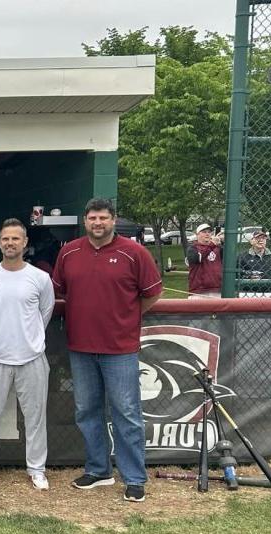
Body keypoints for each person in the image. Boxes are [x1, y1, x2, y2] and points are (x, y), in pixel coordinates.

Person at [52, 198, 162, 503]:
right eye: (92, 218)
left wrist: (127, 315)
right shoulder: (70, 252)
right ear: (85, 221)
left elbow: (151, 294)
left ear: (113, 220)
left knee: (126, 413)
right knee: (87, 411)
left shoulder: (134, 252)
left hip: (120, 348)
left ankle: (134, 477)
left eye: (103, 218)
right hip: (81, 346)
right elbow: (60, 289)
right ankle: (99, 469)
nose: (97, 223)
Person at [0, 220, 56, 490]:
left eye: (15, 239)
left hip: (31, 358)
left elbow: (44, 313)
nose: (10, 243)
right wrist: (2, 336)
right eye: (5, 238)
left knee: (35, 418)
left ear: (25, 242)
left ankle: (37, 469)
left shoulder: (40, 278)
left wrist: (27, 339)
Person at [184, 223, 223, 298]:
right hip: (198, 291)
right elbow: (198, 258)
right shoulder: (193, 248)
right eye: (204, 232)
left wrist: (223, 242)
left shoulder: (217, 248)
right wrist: (212, 244)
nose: (207, 234)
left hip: (216, 290)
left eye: (209, 232)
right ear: (197, 235)